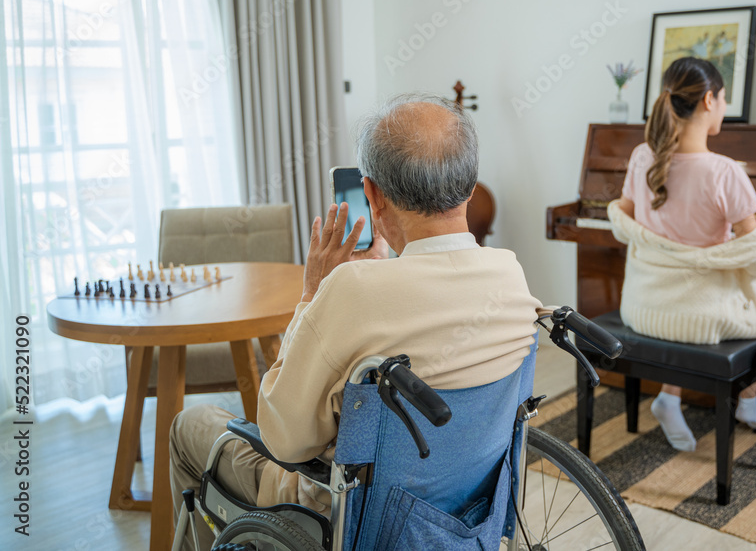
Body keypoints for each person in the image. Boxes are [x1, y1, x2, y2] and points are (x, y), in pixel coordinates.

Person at [169, 94, 542, 549]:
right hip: (461, 513)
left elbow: (285, 439)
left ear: (372, 196)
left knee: (189, 426)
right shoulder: (511, 274)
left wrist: (312, 294)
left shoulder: (352, 291)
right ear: (469, 185)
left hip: (346, 514)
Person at [608, 57, 756, 452]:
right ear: (710, 100)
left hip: (643, 306)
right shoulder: (724, 171)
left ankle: (670, 397)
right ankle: (746, 399)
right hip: (698, 316)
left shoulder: (643, 156)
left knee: (690, 296)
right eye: (723, 99)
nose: (723, 106)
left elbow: (621, 218)